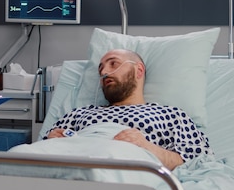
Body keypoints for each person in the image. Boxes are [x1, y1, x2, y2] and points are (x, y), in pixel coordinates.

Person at [44, 48, 212, 170]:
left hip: (124, 174)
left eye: (113, 63)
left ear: (138, 70)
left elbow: (197, 162)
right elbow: (41, 150)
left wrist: (146, 147)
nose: (104, 72)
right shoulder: (79, 113)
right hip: (73, 168)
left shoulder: (170, 115)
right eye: (100, 68)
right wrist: (52, 141)